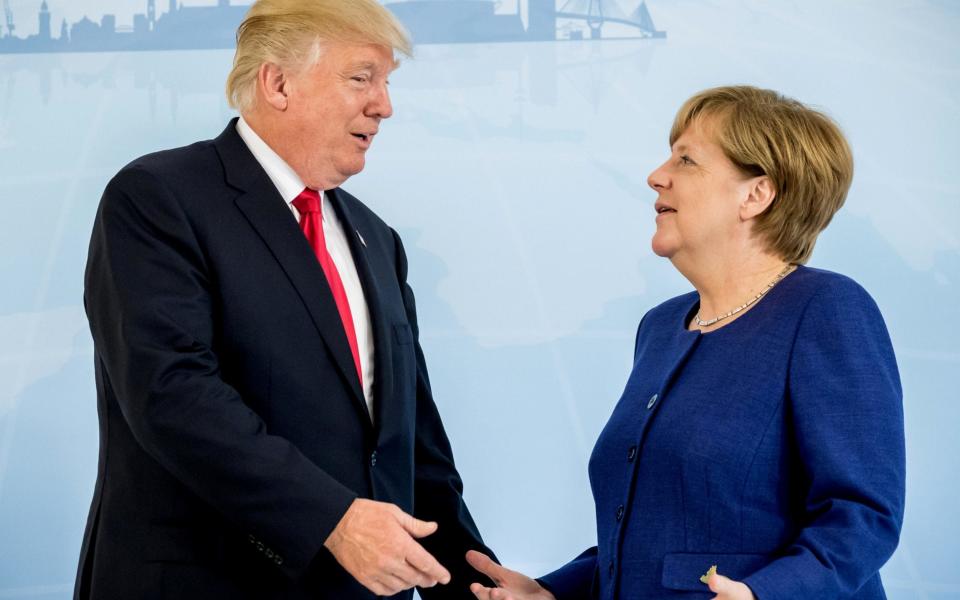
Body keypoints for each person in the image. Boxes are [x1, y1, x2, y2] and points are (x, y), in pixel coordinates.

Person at [75, 1, 493, 598]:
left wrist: (476, 585)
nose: (385, 105)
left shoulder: (378, 241)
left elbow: (412, 447)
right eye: (361, 78)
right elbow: (172, 395)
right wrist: (333, 520)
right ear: (278, 83)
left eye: (388, 82)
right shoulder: (159, 198)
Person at [466, 86, 905, 599]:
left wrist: (767, 594)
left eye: (687, 159)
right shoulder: (660, 327)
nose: (657, 175)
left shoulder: (826, 308)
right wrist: (553, 592)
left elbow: (863, 516)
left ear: (755, 195)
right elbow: (655, 540)